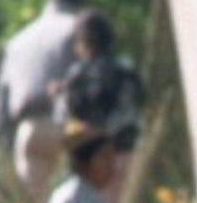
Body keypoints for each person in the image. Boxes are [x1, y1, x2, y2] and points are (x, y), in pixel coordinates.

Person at [0, 0, 92, 203]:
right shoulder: (77, 29)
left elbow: (1, 99)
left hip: (28, 127)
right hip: (68, 125)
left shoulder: (19, 39)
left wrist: (7, 142)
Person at [57, 11, 142, 139]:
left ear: (82, 42)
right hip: (122, 142)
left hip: (86, 144)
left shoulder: (77, 72)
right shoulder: (125, 68)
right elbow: (133, 109)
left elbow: (62, 117)